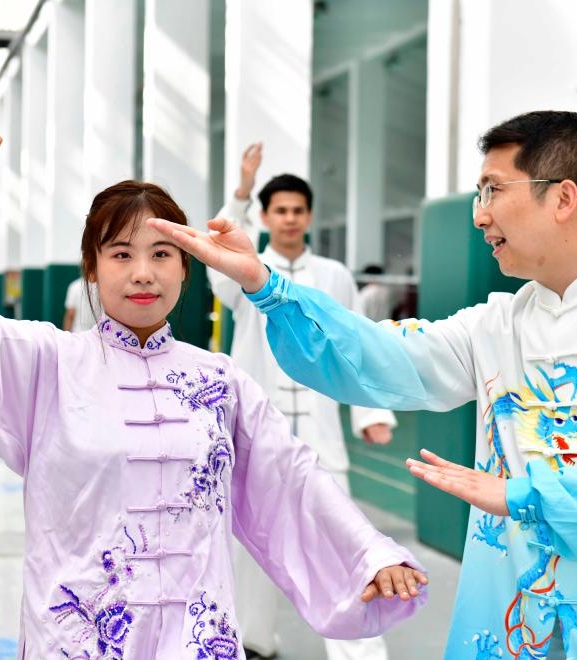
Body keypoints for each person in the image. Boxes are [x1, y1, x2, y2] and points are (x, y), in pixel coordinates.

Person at [152, 110, 577, 658]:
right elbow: (379, 356)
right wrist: (265, 285)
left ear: (563, 198)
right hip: (534, 618)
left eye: (493, 190)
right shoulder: (498, 324)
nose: (480, 214)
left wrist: (520, 498)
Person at [0, 88, 428, 658]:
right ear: (91, 269)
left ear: (185, 267)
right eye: (121, 254)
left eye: (161, 254)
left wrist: (367, 555)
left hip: (194, 638)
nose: (143, 273)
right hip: (80, 638)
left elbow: (290, 476)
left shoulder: (219, 382)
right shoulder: (46, 363)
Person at [211, 143, 398, 660]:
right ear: (266, 217)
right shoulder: (242, 269)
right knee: (251, 543)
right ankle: (252, 641)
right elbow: (215, 259)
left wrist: (370, 412)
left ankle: (359, 651)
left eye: (298, 210)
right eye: (280, 210)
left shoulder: (335, 275)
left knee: (340, 542)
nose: (290, 218)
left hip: (320, 431)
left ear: (309, 216)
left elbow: (357, 344)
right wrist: (242, 190)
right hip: (256, 431)